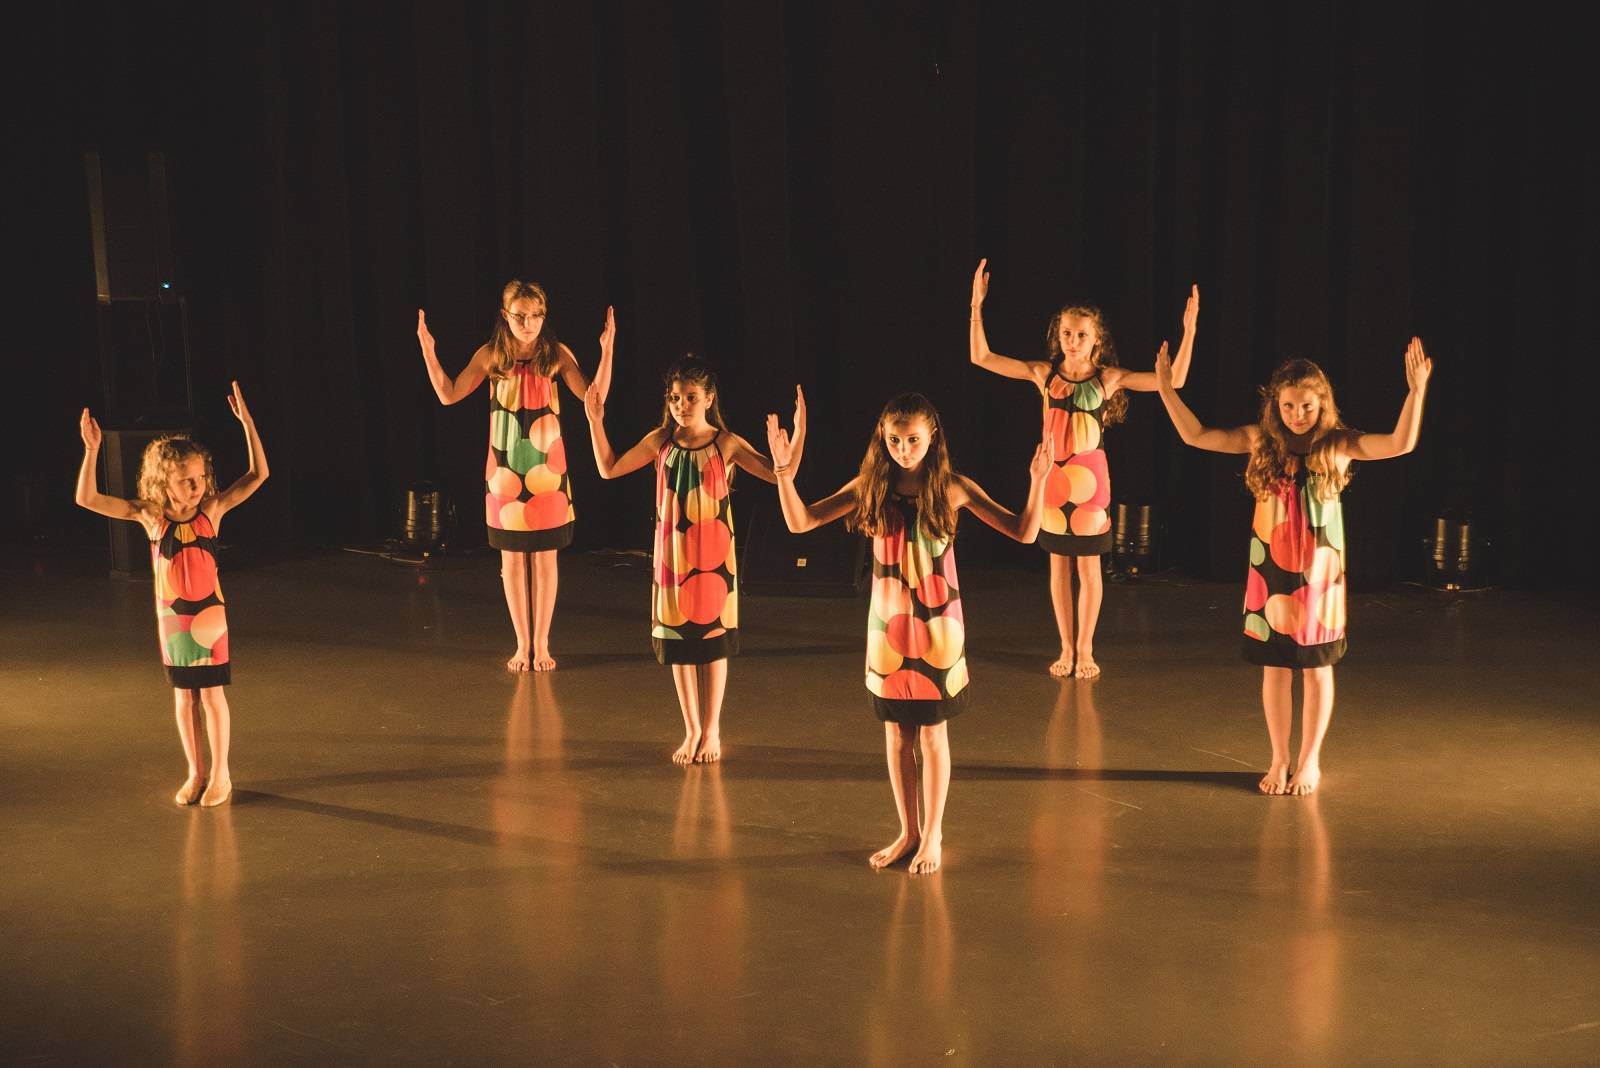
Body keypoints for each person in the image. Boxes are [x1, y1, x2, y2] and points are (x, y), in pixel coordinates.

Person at [766, 390, 1051, 873]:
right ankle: (908, 832)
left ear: (932, 436)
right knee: (898, 736)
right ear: (883, 437)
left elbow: (1024, 532)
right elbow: (801, 522)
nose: (904, 449)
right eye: (895, 440)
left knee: (933, 735)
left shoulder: (954, 489)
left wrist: (1038, 481)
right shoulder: (870, 486)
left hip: (939, 629)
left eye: (914, 439)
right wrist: (782, 474)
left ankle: (933, 834)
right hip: (887, 633)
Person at [1153, 337, 1433, 795]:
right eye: (1288, 406)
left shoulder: (1337, 444)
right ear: (1275, 405)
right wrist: (1166, 389)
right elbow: (1196, 435)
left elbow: (1400, 444)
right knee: (1275, 669)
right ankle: (1279, 757)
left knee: (1318, 669)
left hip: (1320, 578)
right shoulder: (1261, 441)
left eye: (1306, 406)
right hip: (1271, 575)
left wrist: (1416, 391)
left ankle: (1310, 760)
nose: (1297, 415)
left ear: (1322, 404)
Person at [969, 259, 1199, 678]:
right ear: (1058, 335)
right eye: (1067, 334)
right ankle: (1065, 647)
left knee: (1090, 570)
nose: (1073, 341)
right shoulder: (1043, 374)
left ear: (1097, 340)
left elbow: (1175, 380)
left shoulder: (1109, 379)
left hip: (1091, 486)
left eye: (1081, 335)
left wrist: (1190, 330)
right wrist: (976, 306)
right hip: (1053, 482)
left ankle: (1086, 650)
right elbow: (981, 357)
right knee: (1059, 568)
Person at [584, 356, 788, 765]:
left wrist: (787, 449)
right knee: (678, 641)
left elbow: (780, 476)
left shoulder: (726, 444)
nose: (681, 405)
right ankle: (692, 728)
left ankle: (712, 729)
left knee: (712, 643)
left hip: (713, 558)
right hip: (673, 557)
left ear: (709, 398)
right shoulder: (660, 440)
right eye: (675, 397)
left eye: (691, 397)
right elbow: (608, 469)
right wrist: (595, 421)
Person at [74, 382, 269, 807]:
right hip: (174, 620)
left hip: (210, 618)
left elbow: (258, 475)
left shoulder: (212, 511)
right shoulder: (151, 516)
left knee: (212, 695)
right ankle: (196, 772)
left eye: (200, 478)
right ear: (165, 482)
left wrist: (248, 424)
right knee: (184, 697)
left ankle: (222, 774)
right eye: (185, 481)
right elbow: (86, 499)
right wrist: (92, 450)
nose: (196, 486)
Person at [416, 281, 615, 671]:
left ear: (544, 316)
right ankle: (522, 644)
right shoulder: (492, 355)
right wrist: (428, 350)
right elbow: (448, 394)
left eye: (535, 315)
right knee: (512, 562)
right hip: (505, 472)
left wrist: (607, 352)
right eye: (520, 316)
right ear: (505, 316)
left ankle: (542, 643)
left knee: (544, 561)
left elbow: (594, 401)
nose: (528, 323)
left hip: (548, 473)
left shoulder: (555, 354)